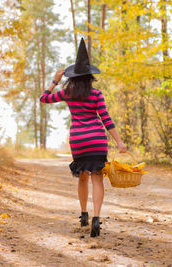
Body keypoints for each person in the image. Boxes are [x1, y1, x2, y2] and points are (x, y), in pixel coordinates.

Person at [39, 38, 126, 237]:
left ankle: (84, 214)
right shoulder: (97, 94)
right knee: (97, 178)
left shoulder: (67, 93)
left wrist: (54, 81)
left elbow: (43, 99)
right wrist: (119, 142)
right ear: (90, 77)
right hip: (97, 139)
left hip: (78, 140)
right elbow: (106, 119)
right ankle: (96, 218)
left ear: (73, 76)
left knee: (82, 177)